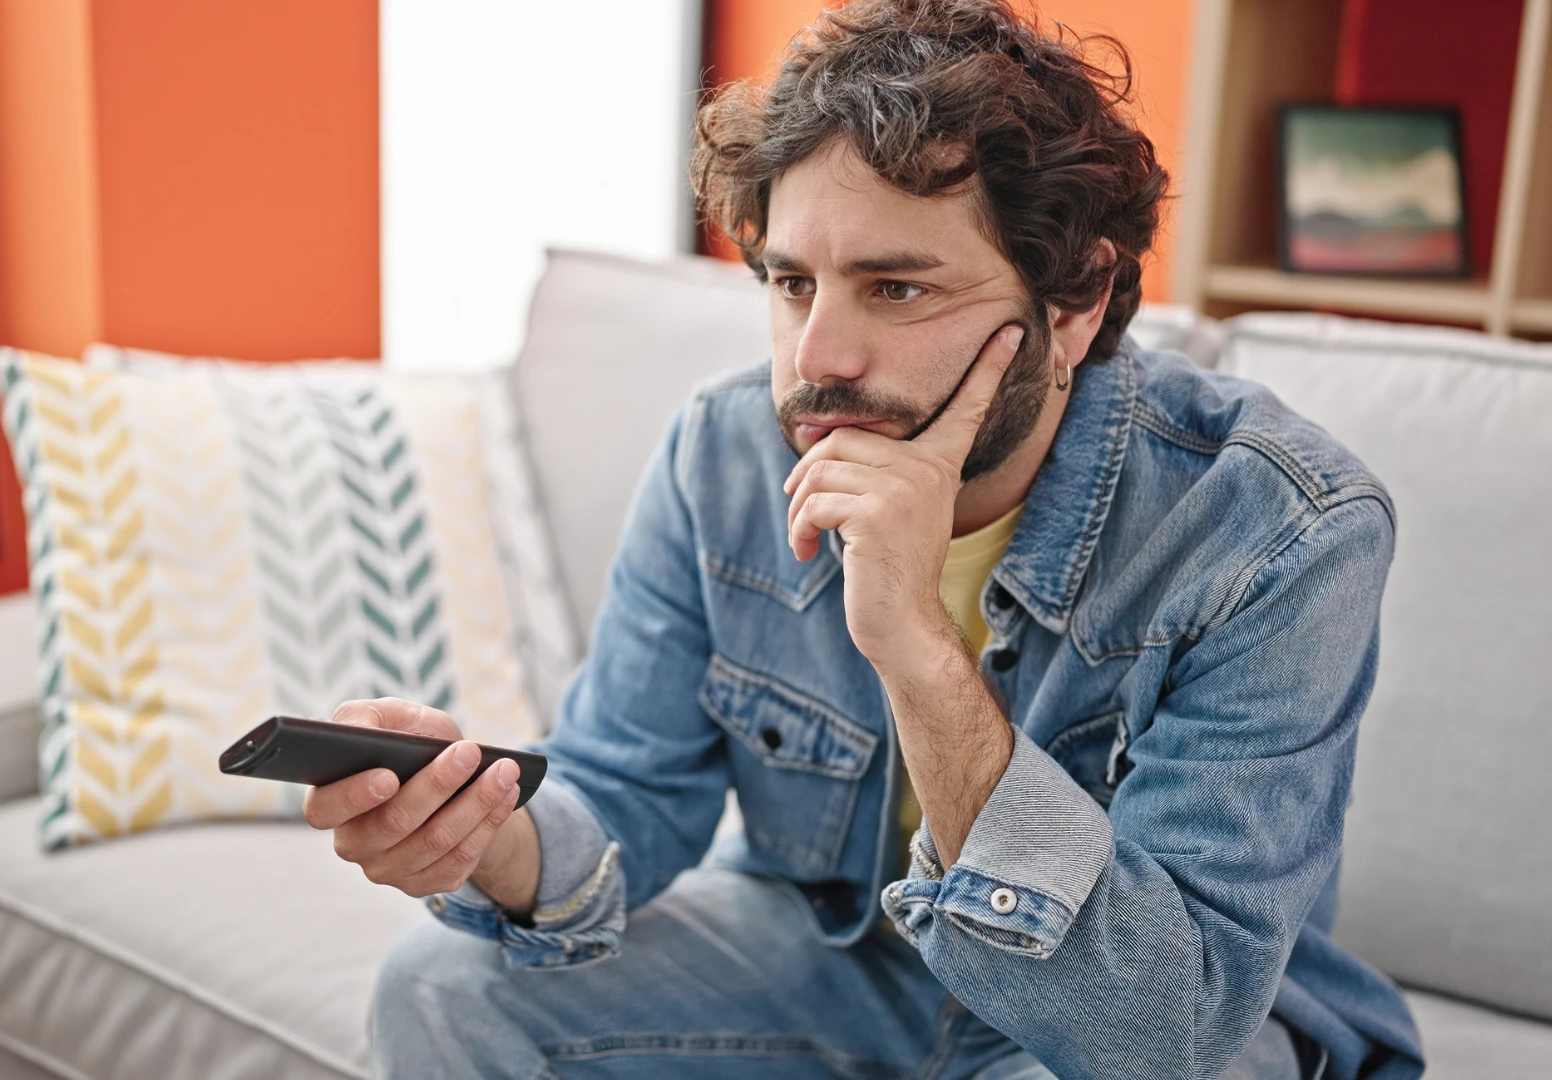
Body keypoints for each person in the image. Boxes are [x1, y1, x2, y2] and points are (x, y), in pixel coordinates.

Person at [304, 1, 1425, 1076]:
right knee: (441, 988)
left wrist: (914, 642)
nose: (818, 360)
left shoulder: (1278, 529)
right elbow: (629, 787)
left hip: (1113, 1024)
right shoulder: (725, 450)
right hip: (841, 964)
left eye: (895, 289)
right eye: (794, 284)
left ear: (1076, 300)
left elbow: (1160, 1033)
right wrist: (483, 838)